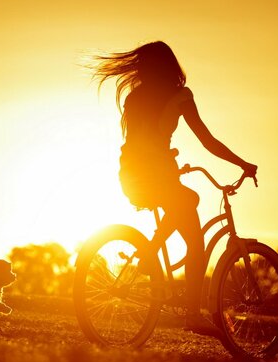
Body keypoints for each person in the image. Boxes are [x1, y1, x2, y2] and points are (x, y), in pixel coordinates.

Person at [91, 41, 257, 335]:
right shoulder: (181, 96)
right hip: (157, 175)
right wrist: (243, 164)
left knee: (187, 198)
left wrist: (166, 159)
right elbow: (207, 140)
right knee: (195, 241)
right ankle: (192, 314)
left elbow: (138, 143)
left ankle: (148, 253)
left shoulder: (135, 98)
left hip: (131, 176)